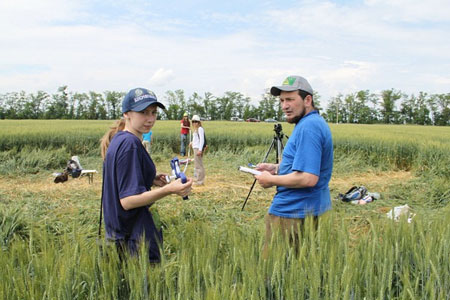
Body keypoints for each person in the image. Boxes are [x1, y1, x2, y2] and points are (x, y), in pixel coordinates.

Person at [100, 87, 193, 263]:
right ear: (127, 113)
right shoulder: (131, 145)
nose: (150, 119)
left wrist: (149, 178)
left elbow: (122, 179)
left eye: (153, 112)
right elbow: (128, 201)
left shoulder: (120, 139)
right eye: (143, 112)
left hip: (118, 234)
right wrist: (169, 190)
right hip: (133, 239)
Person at [254, 75, 333, 255]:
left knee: (273, 271)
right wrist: (275, 168)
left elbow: (308, 178)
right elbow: (306, 165)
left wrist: (271, 180)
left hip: (292, 212)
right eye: (281, 100)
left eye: (290, 99)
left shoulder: (308, 127)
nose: (284, 106)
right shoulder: (311, 122)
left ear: (307, 100)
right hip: (309, 207)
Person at [190, 115, 205, 185]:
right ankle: (197, 179)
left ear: (199, 122)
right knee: (197, 165)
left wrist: (200, 150)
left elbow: (202, 140)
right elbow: (196, 139)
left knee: (199, 165)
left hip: (198, 148)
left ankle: (200, 181)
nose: (194, 123)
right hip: (195, 147)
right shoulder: (196, 129)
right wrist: (192, 143)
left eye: (196, 121)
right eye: (193, 121)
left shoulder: (200, 129)